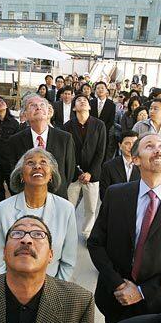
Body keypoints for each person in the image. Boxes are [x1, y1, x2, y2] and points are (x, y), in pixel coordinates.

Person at [88, 133, 161, 323]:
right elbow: (96, 243)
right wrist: (118, 284)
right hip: (115, 299)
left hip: (158, 306)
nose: (158, 149)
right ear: (135, 159)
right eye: (149, 146)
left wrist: (143, 292)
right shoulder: (116, 195)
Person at [0, 148, 77, 280]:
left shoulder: (66, 209)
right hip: (13, 287)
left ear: (51, 175)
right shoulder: (2, 209)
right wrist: (12, 289)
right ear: (21, 175)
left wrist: (55, 290)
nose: (37, 166)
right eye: (30, 163)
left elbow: (68, 261)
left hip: (52, 287)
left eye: (43, 162)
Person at [8, 93, 75, 199]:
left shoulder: (65, 138)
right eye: (32, 105)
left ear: (48, 112)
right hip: (27, 198)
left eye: (42, 105)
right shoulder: (15, 141)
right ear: (25, 115)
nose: (38, 107)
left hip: (57, 198)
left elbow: (69, 172)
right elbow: (13, 173)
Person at [64, 94, 107, 239]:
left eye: (85, 101)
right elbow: (67, 152)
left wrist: (90, 172)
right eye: (78, 101)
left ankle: (88, 233)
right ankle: (66, 233)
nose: (82, 102)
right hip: (73, 173)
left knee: (91, 208)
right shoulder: (67, 126)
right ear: (74, 107)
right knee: (69, 206)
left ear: (89, 106)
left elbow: (101, 151)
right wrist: (77, 171)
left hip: (92, 175)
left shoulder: (99, 125)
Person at [132, 98, 161, 168]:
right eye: (150, 108)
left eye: (155, 109)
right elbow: (132, 146)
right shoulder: (139, 125)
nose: (152, 111)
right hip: (142, 166)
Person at [99, 130, 140, 201]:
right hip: (115, 206)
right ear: (120, 146)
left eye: (134, 143)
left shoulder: (143, 166)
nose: (131, 147)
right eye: (127, 143)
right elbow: (104, 195)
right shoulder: (108, 166)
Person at [90, 81, 117, 161]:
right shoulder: (91, 102)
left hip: (105, 132)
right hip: (92, 132)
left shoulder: (111, 104)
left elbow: (111, 121)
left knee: (103, 153)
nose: (100, 90)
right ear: (95, 91)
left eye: (102, 88)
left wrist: (102, 130)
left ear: (106, 90)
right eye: (98, 88)